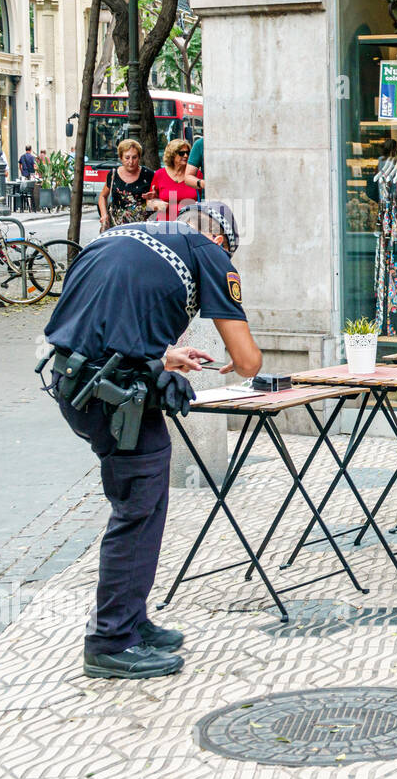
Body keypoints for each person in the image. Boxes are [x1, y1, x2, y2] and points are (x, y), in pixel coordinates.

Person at [41, 200, 262, 679]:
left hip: (74, 382)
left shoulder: (128, 235)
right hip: (112, 395)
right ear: (221, 241)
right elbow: (248, 362)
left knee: (143, 498)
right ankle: (110, 641)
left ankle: (133, 620)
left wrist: (162, 359)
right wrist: (234, 360)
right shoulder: (209, 251)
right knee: (137, 507)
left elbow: (106, 320)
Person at [97, 138, 155, 230]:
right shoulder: (113, 175)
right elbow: (103, 196)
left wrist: (154, 196)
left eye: (134, 157)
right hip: (116, 228)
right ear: (121, 158)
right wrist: (104, 215)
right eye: (127, 158)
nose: (131, 162)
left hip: (141, 229)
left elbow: (160, 197)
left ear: (139, 157)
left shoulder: (148, 175)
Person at [147, 138, 205, 220]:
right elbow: (150, 203)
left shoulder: (196, 175)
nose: (186, 156)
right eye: (181, 153)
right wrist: (155, 203)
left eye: (188, 153)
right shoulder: (159, 174)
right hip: (165, 224)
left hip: (190, 223)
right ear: (172, 155)